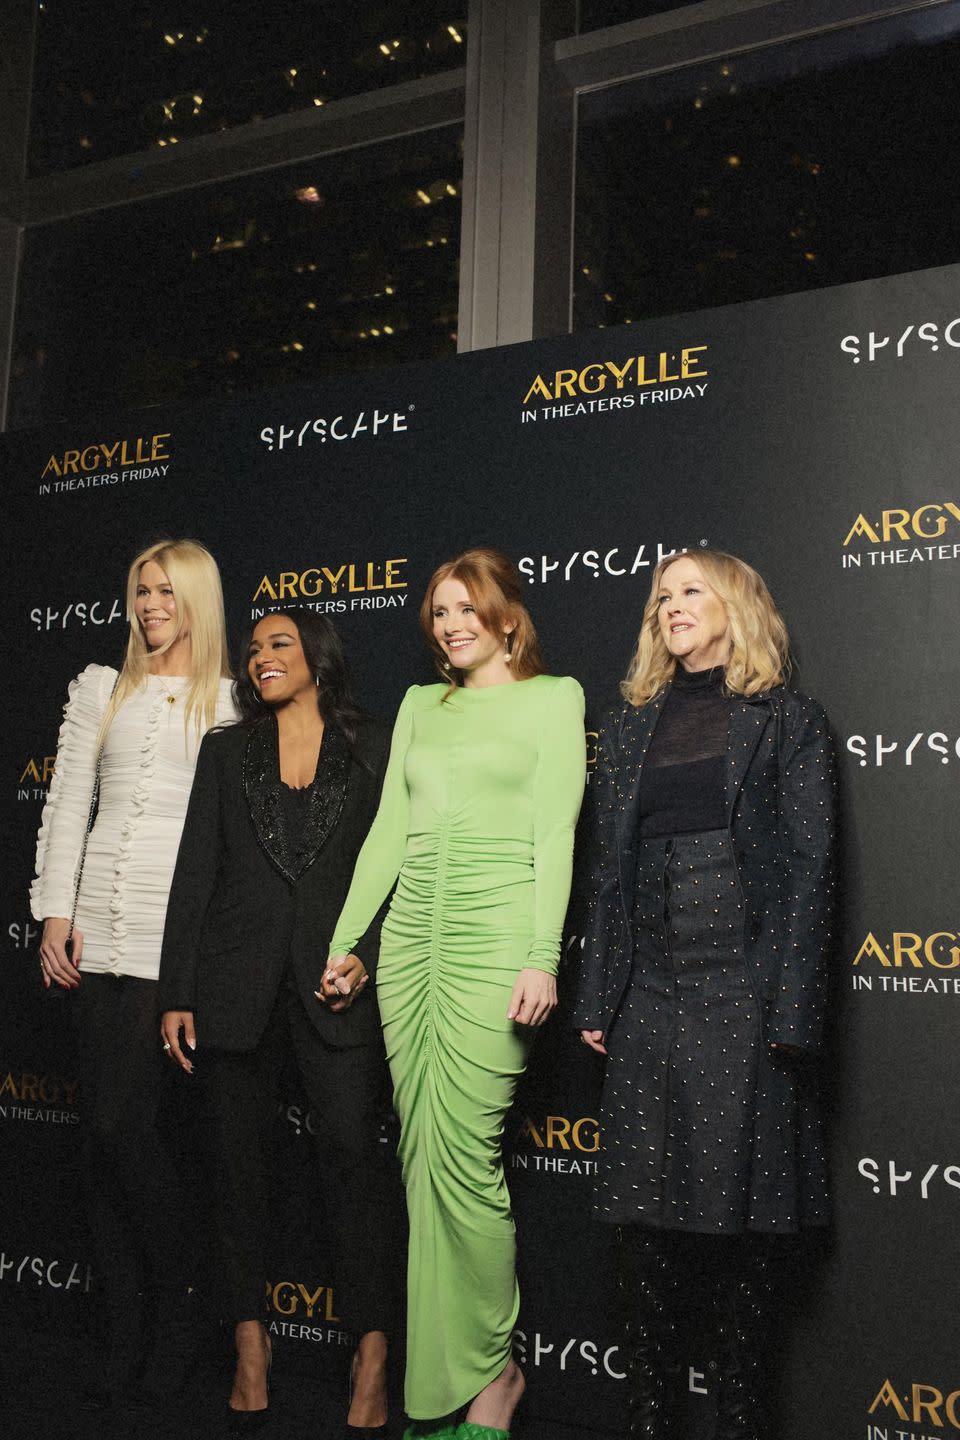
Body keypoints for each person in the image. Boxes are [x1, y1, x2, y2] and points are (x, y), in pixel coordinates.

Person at [572, 549, 836, 1440]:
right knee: (641, 1231)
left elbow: (809, 871)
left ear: (736, 607)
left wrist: (790, 1015)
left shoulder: (788, 720)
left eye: (692, 591)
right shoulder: (631, 723)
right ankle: (648, 1422)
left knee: (747, 1233)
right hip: (650, 991)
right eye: (661, 596)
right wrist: (597, 1000)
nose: (671, 605)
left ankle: (740, 1421)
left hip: (746, 993)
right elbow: (609, 874)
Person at [325, 548, 586, 1440]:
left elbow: (556, 833)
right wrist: (349, 941)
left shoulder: (557, 700)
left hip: (495, 946)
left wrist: (541, 957)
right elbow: (388, 833)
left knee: (467, 1163)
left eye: (468, 607)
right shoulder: (417, 708)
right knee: (421, 1165)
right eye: (439, 613)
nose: (452, 624)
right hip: (410, 954)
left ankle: (494, 1376)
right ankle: (438, 1389)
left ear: (508, 614)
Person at [157, 608, 402, 1436]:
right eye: (254, 647)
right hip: (233, 985)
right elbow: (197, 871)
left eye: (279, 643)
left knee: (350, 1162)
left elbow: (400, 861)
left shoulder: (375, 744)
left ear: (319, 657)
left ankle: (372, 1355)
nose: (261, 656)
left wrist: (366, 950)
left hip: (339, 988)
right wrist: (176, 991)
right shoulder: (227, 751)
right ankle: (250, 1347)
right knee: (235, 1173)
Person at [32, 537, 236, 1403]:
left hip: (171, 945)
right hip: (94, 940)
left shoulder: (229, 703)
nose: (150, 604)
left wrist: (199, 968)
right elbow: (67, 800)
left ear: (198, 598)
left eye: (166, 590)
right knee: (100, 1149)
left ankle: (188, 1300)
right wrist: (53, 911)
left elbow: (226, 841)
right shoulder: (99, 690)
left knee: (133, 1133)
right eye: (140, 590)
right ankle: (127, 1330)